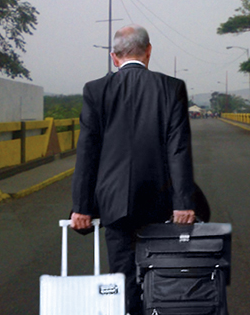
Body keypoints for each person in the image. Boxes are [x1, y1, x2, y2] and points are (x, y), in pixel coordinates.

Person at [70, 25, 196, 315]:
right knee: (160, 274)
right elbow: (178, 148)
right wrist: (183, 203)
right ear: (149, 51)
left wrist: (82, 207)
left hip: (113, 203)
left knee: (122, 277)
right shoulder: (171, 87)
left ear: (114, 57)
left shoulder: (95, 90)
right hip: (159, 201)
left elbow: (88, 152)